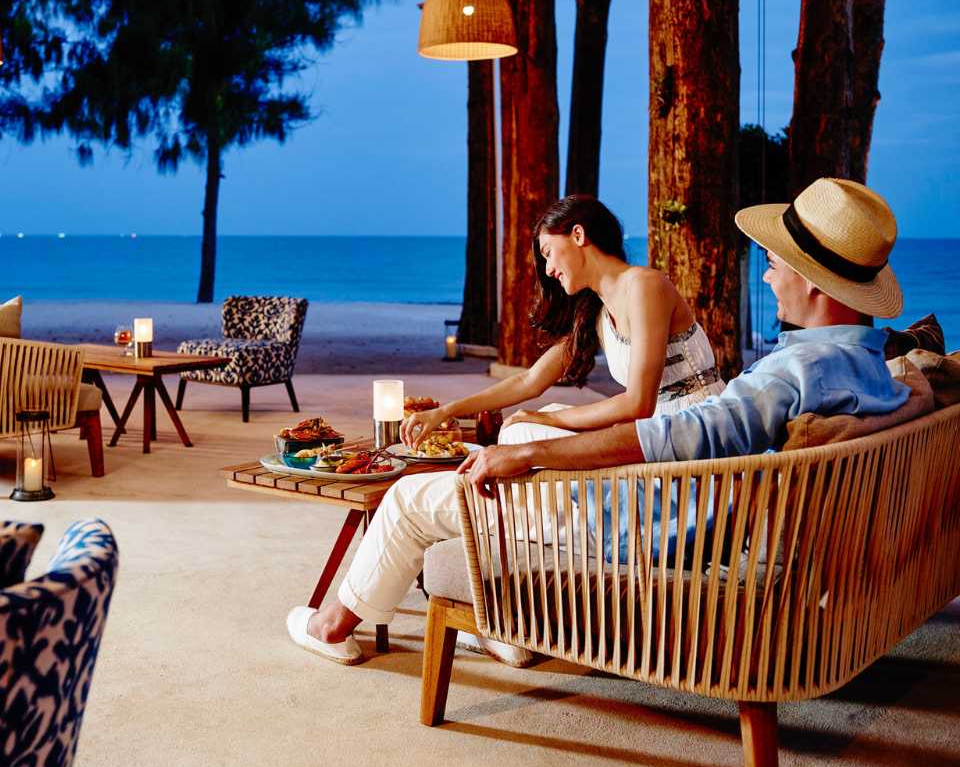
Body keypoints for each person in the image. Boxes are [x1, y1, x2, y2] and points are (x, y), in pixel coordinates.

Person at [287, 177, 910, 665]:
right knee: (515, 440)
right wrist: (475, 415)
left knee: (408, 497)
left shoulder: (784, 374)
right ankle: (509, 626)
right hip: (697, 500)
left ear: (814, 284)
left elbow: (662, 429)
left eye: (776, 263)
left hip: (660, 517)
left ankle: (332, 625)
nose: (767, 273)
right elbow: (535, 383)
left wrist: (532, 452)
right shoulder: (866, 366)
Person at [401, 194, 724, 455]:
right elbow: (529, 381)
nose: (549, 269)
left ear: (578, 234)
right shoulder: (598, 315)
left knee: (527, 430)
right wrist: (445, 411)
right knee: (521, 429)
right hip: (653, 434)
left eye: (548, 252)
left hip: (697, 434)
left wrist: (547, 417)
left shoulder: (644, 285)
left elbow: (638, 402)